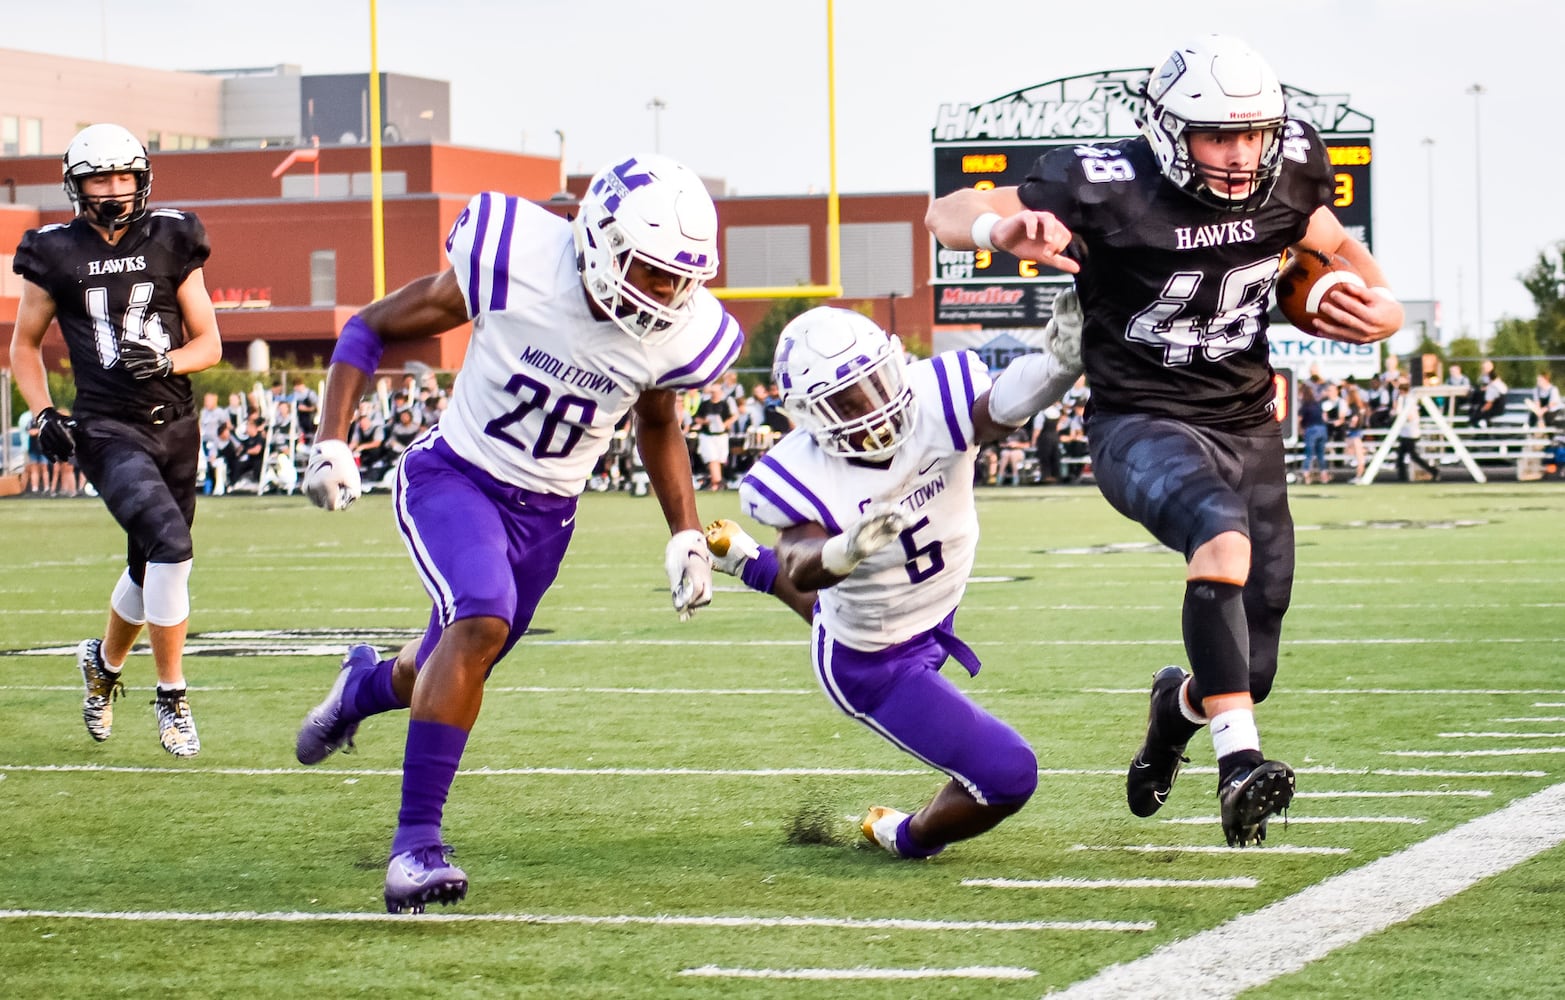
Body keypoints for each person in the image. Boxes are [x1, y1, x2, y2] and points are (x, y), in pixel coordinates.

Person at [924, 35, 1404, 846]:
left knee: (1248, 672)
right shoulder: (1105, 181)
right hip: (1139, 418)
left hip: (1247, 422)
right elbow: (945, 212)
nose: (1239, 153)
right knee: (1216, 536)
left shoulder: (1289, 166)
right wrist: (998, 233)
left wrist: (1383, 307)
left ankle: (1174, 713)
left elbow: (1332, 242)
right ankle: (1238, 764)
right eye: (1218, 134)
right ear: (1165, 128)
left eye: (1252, 133)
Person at [292, 153, 742, 914]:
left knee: (445, 662)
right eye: (650, 271)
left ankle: (360, 690)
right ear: (597, 241)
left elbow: (658, 419)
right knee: (481, 613)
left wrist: (687, 533)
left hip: (547, 519)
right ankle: (414, 847)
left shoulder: (678, 332)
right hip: (456, 477)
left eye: (679, 278)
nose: (666, 295)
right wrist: (332, 438)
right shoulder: (513, 257)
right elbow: (370, 326)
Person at [705, 306, 1079, 860]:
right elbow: (803, 563)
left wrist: (1059, 367)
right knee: (1009, 773)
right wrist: (846, 547)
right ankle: (904, 836)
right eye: (849, 399)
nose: (875, 405)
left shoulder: (936, 396)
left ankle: (743, 561)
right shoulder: (798, 473)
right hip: (874, 664)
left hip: (934, 602)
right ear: (809, 414)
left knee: (847, 603)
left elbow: (1000, 407)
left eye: (877, 381)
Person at [8, 123, 221, 756]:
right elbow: (23, 344)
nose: (113, 188)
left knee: (147, 563)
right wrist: (45, 411)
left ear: (142, 178)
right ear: (76, 184)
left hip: (176, 422)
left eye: (123, 175)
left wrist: (166, 363)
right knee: (171, 546)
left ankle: (103, 666)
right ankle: (172, 698)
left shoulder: (172, 238)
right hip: (105, 427)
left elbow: (209, 343)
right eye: (99, 176)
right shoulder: (53, 250)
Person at [1393, 380, 1439, 482]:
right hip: (1406, 432)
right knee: (1403, 456)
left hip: (1410, 432)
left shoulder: (1408, 400)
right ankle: (1403, 477)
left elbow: (1410, 416)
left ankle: (1432, 471)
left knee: (1410, 456)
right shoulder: (1405, 399)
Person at [1297, 381, 1328, 484]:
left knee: (1309, 454)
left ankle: (1307, 476)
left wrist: (1300, 430)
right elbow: (1324, 417)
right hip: (1322, 429)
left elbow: (1299, 419)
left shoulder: (1305, 406)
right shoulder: (1317, 404)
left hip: (1311, 429)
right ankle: (1324, 475)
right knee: (1321, 454)